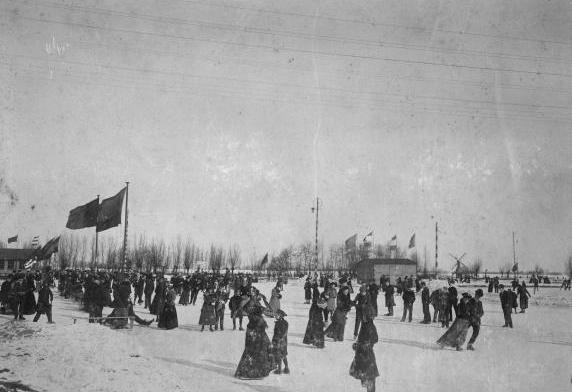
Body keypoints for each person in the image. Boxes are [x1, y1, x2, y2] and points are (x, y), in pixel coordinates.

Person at [234, 297, 275, 379]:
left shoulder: (258, 307)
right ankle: (252, 373)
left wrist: (264, 302)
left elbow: (270, 311)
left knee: (258, 351)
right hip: (253, 331)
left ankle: (258, 372)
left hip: (258, 331)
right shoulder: (248, 307)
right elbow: (241, 311)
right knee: (252, 352)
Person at [349, 303, 379, 392]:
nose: (362, 316)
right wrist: (358, 345)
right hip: (363, 356)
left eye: (363, 314)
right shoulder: (365, 324)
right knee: (367, 379)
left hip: (367, 357)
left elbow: (375, 339)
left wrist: (364, 345)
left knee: (369, 379)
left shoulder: (369, 325)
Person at [302, 283, 325, 348]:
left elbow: (316, 301)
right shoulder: (316, 292)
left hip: (314, 311)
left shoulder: (316, 292)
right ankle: (317, 343)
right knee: (317, 328)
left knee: (313, 327)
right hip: (316, 311)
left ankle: (313, 341)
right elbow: (317, 301)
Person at [272, 309, 289, 375]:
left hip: (279, 341)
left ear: (281, 316)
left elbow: (282, 333)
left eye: (277, 315)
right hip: (283, 341)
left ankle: (279, 370)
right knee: (283, 355)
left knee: (278, 355)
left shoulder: (280, 323)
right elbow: (285, 333)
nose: (275, 316)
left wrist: (278, 340)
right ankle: (286, 368)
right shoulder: (285, 322)